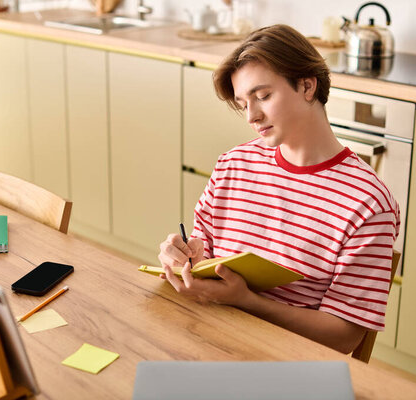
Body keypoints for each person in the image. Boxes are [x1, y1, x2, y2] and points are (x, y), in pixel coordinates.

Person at [157, 24, 400, 354]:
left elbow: (344, 336)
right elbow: (206, 250)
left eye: (263, 96)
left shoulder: (368, 203)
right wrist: (189, 256)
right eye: (244, 103)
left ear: (307, 86)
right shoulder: (233, 164)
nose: (252, 116)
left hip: (292, 368)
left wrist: (247, 301)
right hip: (210, 342)